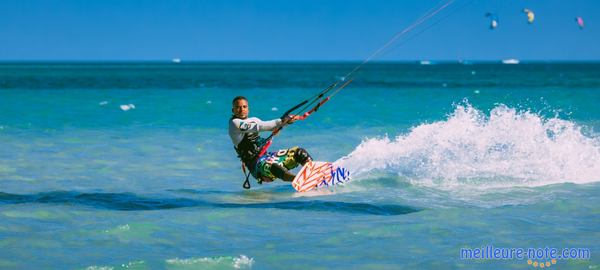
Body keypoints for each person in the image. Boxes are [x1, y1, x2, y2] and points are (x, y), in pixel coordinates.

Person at [228, 96, 312, 185]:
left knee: (299, 153)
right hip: (256, 166)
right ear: (233, 110)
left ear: (248, 109)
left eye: (244, 107)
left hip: (267, 156)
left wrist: (289, 121)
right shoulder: (234, 124)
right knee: (274, 167)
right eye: (238, 107)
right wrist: (282, 120)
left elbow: (269, 125)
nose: (241, 110)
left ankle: (313, 172)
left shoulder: (254, 120)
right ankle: (300, 181)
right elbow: (261, 127)